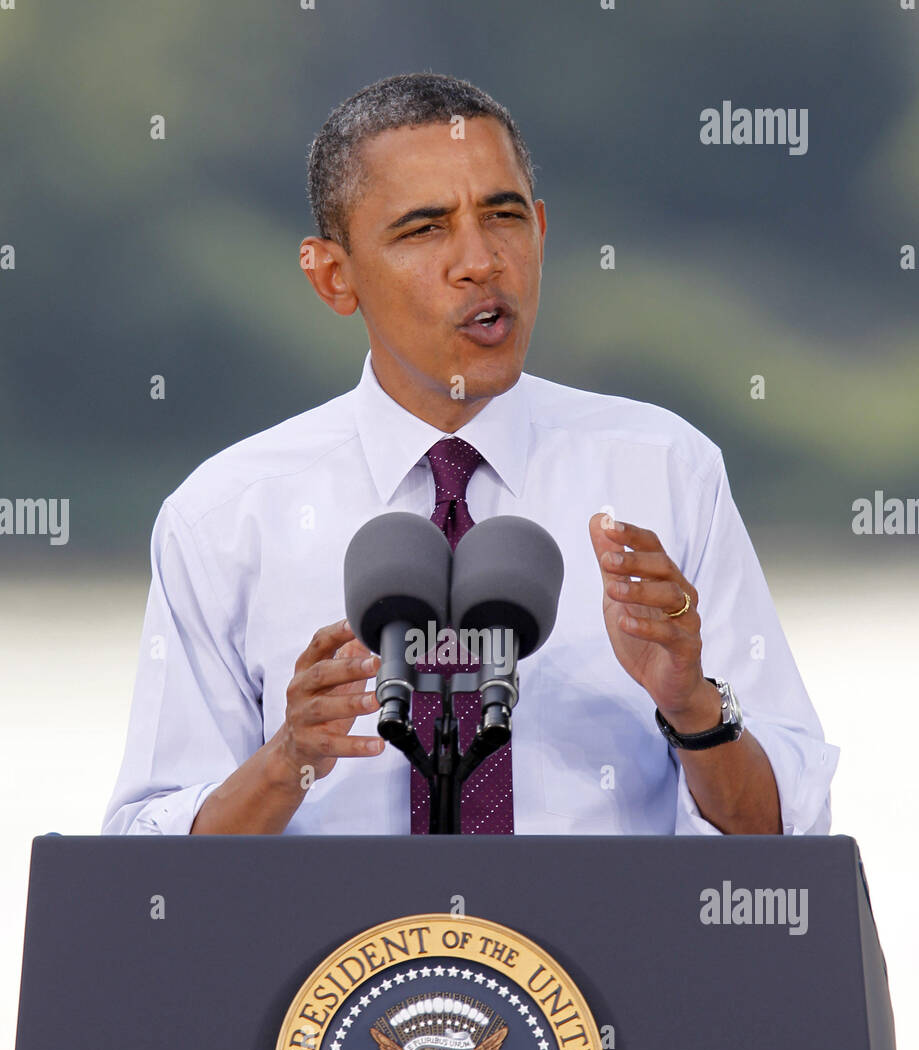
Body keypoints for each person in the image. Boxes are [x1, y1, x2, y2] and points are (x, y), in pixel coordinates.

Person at [102, 73, 838, 840]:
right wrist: (285, 761)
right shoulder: (223, 517)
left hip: (608, 957)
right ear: (332, 275)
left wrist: (692, 709)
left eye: (503, 216)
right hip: (334, 962)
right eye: (424, 230)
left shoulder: (664, 472)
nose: (480, 261)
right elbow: (146, 866)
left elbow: (786, 843)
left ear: (541, 231)